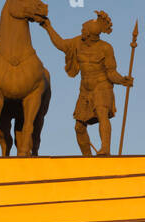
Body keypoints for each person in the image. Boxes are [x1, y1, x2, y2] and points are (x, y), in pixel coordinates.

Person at [40, 10, 133, 155]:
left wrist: (122, 80)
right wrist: (48, 28)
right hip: (85, 90)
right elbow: (61, 44)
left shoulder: (106, 48)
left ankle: (105, 149)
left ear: (89, 33)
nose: (82, 31)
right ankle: (87, 157)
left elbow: (111, 73)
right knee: (79, 127)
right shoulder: (77, 43)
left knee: (102, 114)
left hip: (102, 87)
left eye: (84, 29)